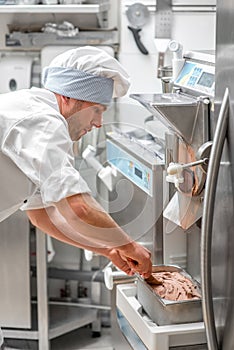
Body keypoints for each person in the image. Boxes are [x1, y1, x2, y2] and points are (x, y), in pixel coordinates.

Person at [0, 46, 152, 282]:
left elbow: (42, 215)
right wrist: (130, 246)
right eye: (97, 110)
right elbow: (77, 208)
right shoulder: (45, 122)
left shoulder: (40, 118)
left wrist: (107, 249)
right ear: (68, 97)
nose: (99, 123)